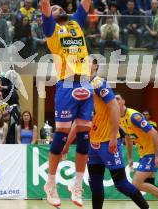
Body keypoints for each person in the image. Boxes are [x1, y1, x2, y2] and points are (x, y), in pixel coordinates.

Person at [62, 61, 151, 209]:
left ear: (95, 66)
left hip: (107, 143)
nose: (83, 64)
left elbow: (114, 107)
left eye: (87, 61)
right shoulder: (82, 89)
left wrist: (113, 136)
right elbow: (78, 121)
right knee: (95, 186)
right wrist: (66, 145)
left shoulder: (98, 83)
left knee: (121, 184)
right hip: (93, 144)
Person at [41, 0, 93, 207]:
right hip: (66, 85)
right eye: (53, 7)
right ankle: (50, 183)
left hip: (85, 83)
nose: (57, 8)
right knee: (61, 135)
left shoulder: (75, 22)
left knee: (84, 137)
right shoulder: (52, 29)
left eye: (58, 6)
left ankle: (77, 184)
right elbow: (43, 4)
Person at [116, 94, 158, 209]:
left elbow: (154, 133)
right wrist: (130, 158)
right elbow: (128, 138)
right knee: (151, 186)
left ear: (123, 101)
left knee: (136, 183)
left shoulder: (134, 116)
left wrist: (156, 155)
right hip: (143, 153)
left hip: (151, 152)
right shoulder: (119, 118)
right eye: (113, 99)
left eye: (118, 99)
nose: (115, 101)